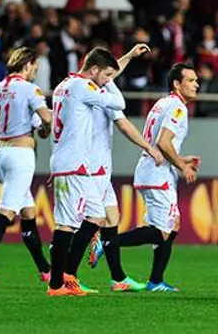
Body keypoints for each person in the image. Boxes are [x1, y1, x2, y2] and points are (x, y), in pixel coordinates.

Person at [94, 62, 200, 292]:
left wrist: (180, 159)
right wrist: (182, 165)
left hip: (151, 169)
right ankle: (108, 241)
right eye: (190, 80)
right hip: (157, 172)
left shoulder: (163, 103)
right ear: (176, 84)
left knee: (170, 227)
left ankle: (155, 281)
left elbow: (159, 143)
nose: (196, 84)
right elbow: (163, 142)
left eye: (196, 80)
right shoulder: (178, 108)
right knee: (163, 231)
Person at [83, 44, 165, 293]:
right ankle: (64, 275)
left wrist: (129, 56)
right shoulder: (98, 92)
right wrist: (149, 147)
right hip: (90, 167)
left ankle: (118, 278)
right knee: (83, 223)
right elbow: (124, 125)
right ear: (97, 71)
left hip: (100, 168)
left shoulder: (96, 86)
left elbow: (110, 72)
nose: (111, 78)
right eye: (108, 75)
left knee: (112, 219)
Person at [0, 47, 53, 284]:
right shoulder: (29, 89)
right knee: (6, 213)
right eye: (35, 66)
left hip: (1, 152)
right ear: (27, 65)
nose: (36, 71)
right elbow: (47, 120)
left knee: (28, 213)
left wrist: (43, 128)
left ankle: (46, 270)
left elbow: (0, 126)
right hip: (20, 155)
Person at [47, 47, 126, 296]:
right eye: (105, 76)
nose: (106, 81)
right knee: (65, 225)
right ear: (93, 70)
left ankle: (67, 275)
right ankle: (56, 284)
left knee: (96, 216)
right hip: (71, 164)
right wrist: (110, 84)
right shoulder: (84, 87)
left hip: (71, 163)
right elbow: (119, 103)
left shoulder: (63, 85)